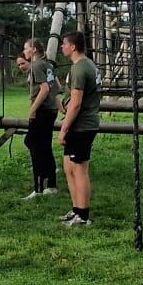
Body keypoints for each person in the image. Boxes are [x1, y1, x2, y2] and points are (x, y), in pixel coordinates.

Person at [57, 29, 102, 227]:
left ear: (73, 47)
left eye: (64, 44)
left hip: (82, 125)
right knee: (68, 166)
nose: (62, 47)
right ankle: (75, 209)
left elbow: (76, 103)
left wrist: (64, 128)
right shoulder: (87, 64)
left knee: (79, 168)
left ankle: (83, 216)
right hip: (80, 123)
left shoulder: (80, 69)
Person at [16, 38, 59, 199]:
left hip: (42, 111)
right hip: (51, 110)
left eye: (26, 48)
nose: (24, 51)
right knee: (44, 146)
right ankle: (52, 184)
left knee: (33, 143)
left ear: (34, 50)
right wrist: (56, 105)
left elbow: (46, 89)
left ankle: (39, 187)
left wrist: (33, 109)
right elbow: (57, 87)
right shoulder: (48, 65)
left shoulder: (36, 66)